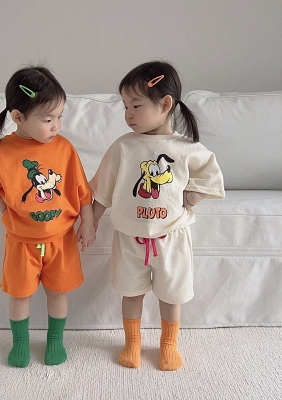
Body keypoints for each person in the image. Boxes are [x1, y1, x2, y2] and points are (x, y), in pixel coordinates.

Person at [0, 66, 95, 367]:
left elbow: (82, 190)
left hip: (61, 240)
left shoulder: (65, 148)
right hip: (21, 243)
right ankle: (20, 343)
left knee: (58, 292)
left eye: (59, 116)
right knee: (19, 295)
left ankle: (55, 341)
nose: (56, 126)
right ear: (18, 116)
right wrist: (3, 206)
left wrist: (89, 222)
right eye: (48, 119)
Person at [90, 61, 225, 370]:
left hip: (172, 238)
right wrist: (92, 220)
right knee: (130, 291)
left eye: (136, 105)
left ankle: (168, 344)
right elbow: (103, 190)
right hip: (130, 239)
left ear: (165, 104)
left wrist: (195, 194)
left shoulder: (186, 148)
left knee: (171, 295)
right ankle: (132, 343)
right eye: (125, 106)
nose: (128, 114)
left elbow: (211, 174)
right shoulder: (123, 147)